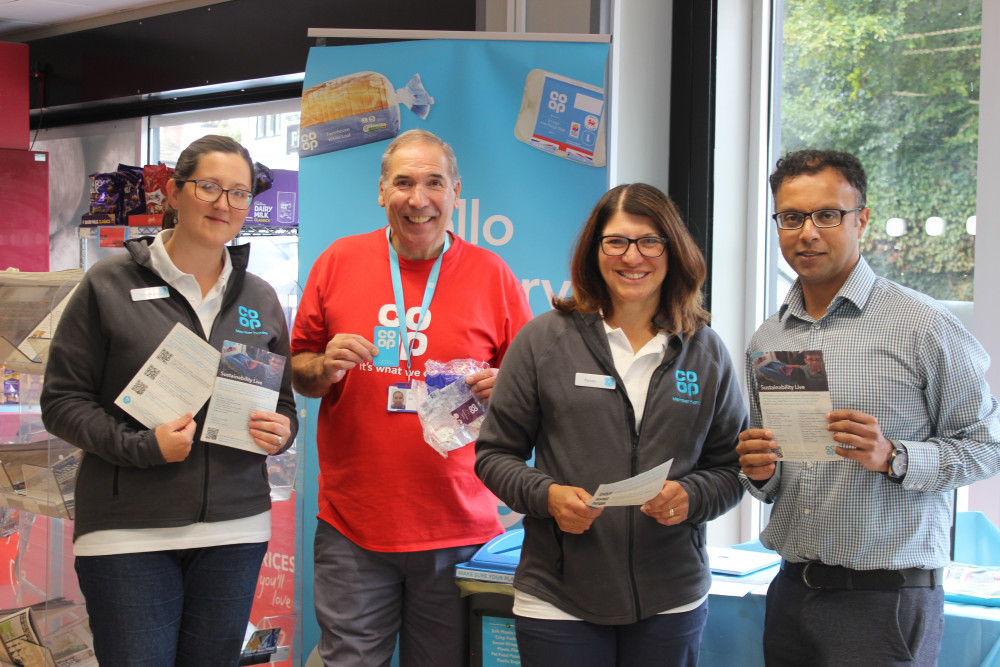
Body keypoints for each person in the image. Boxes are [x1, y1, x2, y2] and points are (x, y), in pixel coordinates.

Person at [40, 135, 298, 666]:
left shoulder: (261, 297)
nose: (223, 204)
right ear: (175, 194)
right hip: (126, 531)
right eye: (209, 187)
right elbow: (62, 402)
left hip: (235, 528)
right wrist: (143, 447)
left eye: (239, 193)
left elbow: (285, 405)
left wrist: (282, 432)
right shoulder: (108, 284)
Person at [736, 149, 1000, 666]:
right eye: (791, 217)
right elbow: (772, 482)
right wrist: (760, 472)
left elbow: (987, 447)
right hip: (791, 592)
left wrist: (894, 456)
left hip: (886, 601)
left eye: (827, 215)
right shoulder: (768, 337)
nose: (807, 232)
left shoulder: (924, 325)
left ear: (863, 219)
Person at [475, 183, 748, 666]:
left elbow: (731, 467)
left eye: (649, 241)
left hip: (671, 595)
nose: (632, 256)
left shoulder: (706, 351)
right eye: (616, 241)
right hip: (559, 595)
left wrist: (693, 497)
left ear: (672, 250)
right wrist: (546, 496)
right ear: (595, 251)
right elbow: (495, 455)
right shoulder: (543, 341)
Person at [290, 129, 533, 666]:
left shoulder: (493, 275)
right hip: (354, 526)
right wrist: (323, 368)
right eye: (403, 182)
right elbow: (298, 371)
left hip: (459, 530)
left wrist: (506, 391)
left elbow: (533, 394)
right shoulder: (337, 261)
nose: (418, 199)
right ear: (381, 191)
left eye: (433, 183)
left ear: (455, 193)